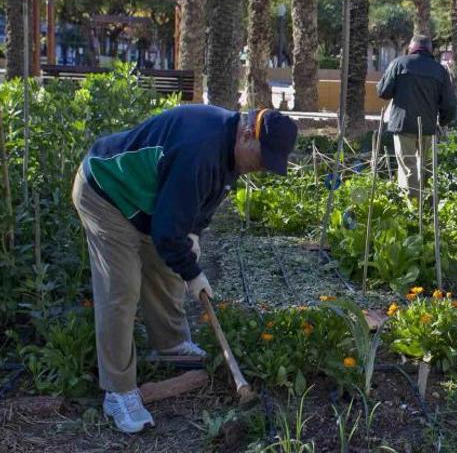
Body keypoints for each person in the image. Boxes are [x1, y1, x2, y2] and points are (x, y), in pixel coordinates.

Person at [72, 105, 297, 433]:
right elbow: (165, 231)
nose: (262, 168)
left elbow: (204, 199)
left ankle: (170, 344)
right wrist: (193, 272)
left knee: (166, 265)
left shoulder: (230, 149)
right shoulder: (201, 148)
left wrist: (193, 233)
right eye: (263, 158)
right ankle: (118, 391)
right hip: (107, 192)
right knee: (121, 290)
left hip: (147, 201)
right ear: (248, 135)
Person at [377, 35, 457, 197]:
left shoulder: (399, 63)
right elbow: (449, 103)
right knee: (423, 166)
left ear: (411, 48)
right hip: (427, 126)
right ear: (430, 50)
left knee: (408, 165)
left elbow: (383, 92)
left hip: (402, 124)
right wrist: (443, 121)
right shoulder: (439, 70)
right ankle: (424, 203)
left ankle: (412, 207)